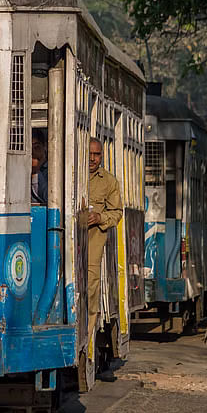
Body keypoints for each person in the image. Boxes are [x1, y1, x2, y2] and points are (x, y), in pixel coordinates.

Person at [87, 136, 123, 382]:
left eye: (97, 155)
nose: (92, 158)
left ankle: (86, 345)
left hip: (92, 246)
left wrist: (101, 219)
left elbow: (117, 212)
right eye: (89, 154)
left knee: (90, 292)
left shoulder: (108, 181)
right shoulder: (66, 172)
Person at [31, 130, 48, 204]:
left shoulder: (52, 169)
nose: (33, 150)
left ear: (44, 146)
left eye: (36, 146)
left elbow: (48, 197)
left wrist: (36, 171)